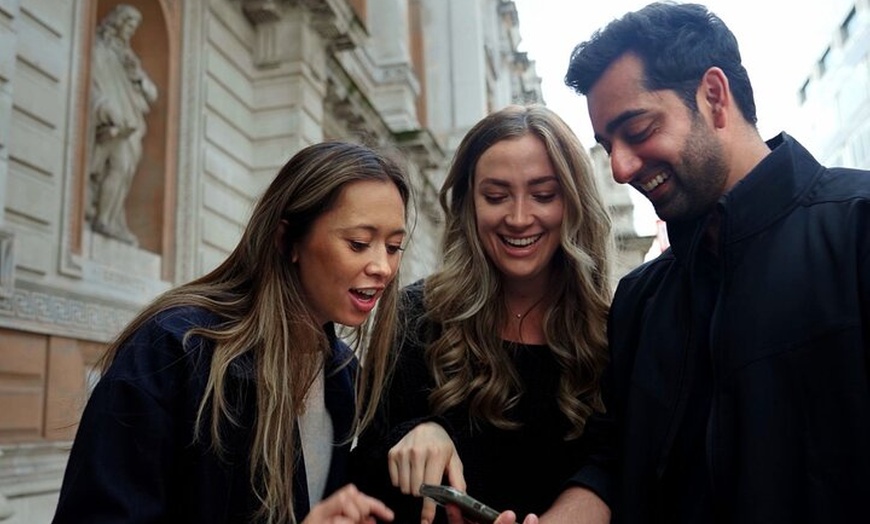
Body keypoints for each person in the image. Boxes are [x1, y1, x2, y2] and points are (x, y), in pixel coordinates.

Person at [532, 2, 870, 523]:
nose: (620, 168)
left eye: (638, 130)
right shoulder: (640, 301)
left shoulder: (857, 229)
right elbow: (614, 464)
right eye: (607, 145)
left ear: (714, 96)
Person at [52, 141, 410, 524]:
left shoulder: (344, 376)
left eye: (393, 247)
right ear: (287, 240)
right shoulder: (172, 349)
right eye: (359, 244)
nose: (382, 267)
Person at [350, 104, 614, 524]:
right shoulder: (416, 315)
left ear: (574, 202)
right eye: (495, 196)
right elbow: (362, 469)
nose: (519, 218)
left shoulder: (612, 331)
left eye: (543, 195)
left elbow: (620, 466)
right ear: (468, 204)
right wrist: (417, 433)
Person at [88, 4, 158, 245]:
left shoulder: (128, 58)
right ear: (117, 22)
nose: (130, 30)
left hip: (131, 123)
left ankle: (112, 219)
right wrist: (106, 109)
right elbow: (92, 85)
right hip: (113, 121)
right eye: (128, 24)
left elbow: (152, 94)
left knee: (126, 171)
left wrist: (137, 75)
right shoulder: (98, 48)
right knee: (118, 167)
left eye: (134, 26)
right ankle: (103, 220)